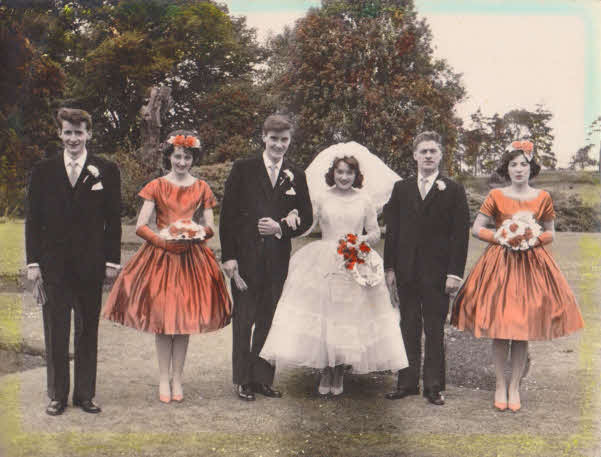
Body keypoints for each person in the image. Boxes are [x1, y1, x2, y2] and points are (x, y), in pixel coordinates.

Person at [260, 150, 409, 396]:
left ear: (355, 175)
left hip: (354, 259)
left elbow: (374, 232)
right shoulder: (321, 197)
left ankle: (339, 370)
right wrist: (293, 218)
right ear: (333, 174)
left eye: (349, 173)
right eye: (339, 172)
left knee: (347, 315)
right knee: (325, 313)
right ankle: (326, 370)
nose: (344, 177)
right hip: (324, 259)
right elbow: (308, 225)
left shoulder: (364, 199)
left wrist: (359, 240)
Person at [451, 140, 584, 412]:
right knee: (501, 328)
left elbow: (550, 233)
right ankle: (500, 384)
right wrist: (502, 235)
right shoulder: (496, 196)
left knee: (521, 329)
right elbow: (477, 228)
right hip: (500, 265)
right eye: (513, 164)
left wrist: (531, 238)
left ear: (531, 168)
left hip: (531, 266)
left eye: (524, 164)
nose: (519, 169)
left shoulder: (542, 197)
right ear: (507, 168)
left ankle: (515, 387)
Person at [102, 130, 231, 404]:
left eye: (186, 157)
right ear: (169, 157)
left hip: (191, 258)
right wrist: (163, 240)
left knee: (183, 322)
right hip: (161, 258)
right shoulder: (157, 185)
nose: (181, 162)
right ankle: (163, 378)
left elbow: (210, 227)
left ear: (193, 158)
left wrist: (192, 233)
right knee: (163, 322)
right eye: (177, 156)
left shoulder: (202, 187)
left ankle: (178, 379)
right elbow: (140, 225)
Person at [25, 107, 122, 416]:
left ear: (88, 134)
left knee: (87, 330)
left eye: (79, 133)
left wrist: (111, 261)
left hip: (91, 264)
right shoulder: (43, 170)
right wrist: (33, 263)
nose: (73, 138)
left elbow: (113, 221)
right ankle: (57, 395)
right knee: (56, 328)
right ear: (60, 133)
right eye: (67, 132)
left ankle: (85, 395)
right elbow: (33, 220)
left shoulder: (105, 170)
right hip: (53, 265)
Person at [219, 114, 313, 401]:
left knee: (269, 319)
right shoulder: (243, 169)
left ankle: (262, 378)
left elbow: (307, 218)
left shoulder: (296, 174)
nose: (279, 145)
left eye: (284, 140)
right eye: (274, 139)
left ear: (289, 141)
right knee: (244, 320)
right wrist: (229, 257)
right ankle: (242, 379)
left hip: (276, 260)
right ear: (264, 138)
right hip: (245, 259)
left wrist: (281, 228)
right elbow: (228, 216)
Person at [383, 131, 470, 406]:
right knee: (407, 325)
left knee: (434, 329)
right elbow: (393, 232)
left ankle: (433, 386)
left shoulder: (453, 189)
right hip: (406, 270)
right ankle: (406, 383)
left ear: (441, 155)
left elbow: (460, 235)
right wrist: (390, 269)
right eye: (424, 151)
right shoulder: (401, 188)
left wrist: (454, 273)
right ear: (415, 156)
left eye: (433, 151)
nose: (428, 156)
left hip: (438, 273)